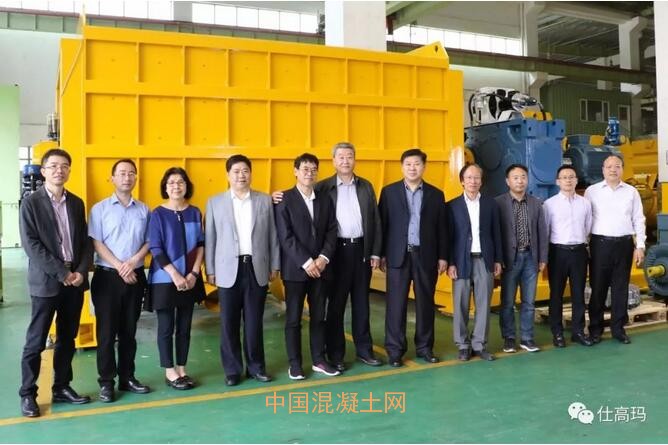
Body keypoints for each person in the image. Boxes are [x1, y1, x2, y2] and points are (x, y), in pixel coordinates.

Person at [18, 148, 93, 418]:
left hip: (74, 281)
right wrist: (62, 273)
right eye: (53, 166)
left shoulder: (76, 203)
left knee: (67, 337)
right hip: (46, 281)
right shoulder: (31, 203)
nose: (59, 170)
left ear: (69, 170)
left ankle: (61, 386)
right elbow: (31, 245)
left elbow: (85, 241)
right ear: (43, 171)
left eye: (64, 166)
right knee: (36, 340)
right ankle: (28, 393)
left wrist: (81, 271)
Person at [205, 155, 280, 387]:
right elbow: (210, 238)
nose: (241, 175)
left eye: (245, 171)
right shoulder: (215, 202)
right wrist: (210, 269)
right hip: (227, 269)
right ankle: (233, 370)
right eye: (236, 171)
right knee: (228, 322)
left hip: (256, 267)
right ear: (228, 175)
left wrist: (274, 265)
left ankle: (257, 367)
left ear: (251, 174)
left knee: (254, 322)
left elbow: (273, 235)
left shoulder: (264, 200)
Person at [88, 159, 151, 403]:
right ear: (112, 178)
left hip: (135, 276)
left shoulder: (144, 210)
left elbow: (149, 241)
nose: (127, 177)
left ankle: (127, 377)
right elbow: (97, 242)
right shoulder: (100, 209)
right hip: (107, 277)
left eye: (131, 173)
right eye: (122, 173)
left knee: (129, 331)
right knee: (106, 333)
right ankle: (106, 382)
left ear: (136, 178)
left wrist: (132, 262)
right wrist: (119, 266)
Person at [378, 148, 448, 367]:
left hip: (425, 256)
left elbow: (442, 228)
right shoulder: (389, 192)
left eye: (417, 164)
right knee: (395, 305)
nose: (412, 168)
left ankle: (425, 348)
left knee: (425, 304)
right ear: (402, 167)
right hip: (397, 256)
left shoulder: (436, 195)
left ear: (424, 167)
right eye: (408, 164)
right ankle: (394, 350)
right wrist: (381, 254)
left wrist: (443, 256)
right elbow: (382, 225)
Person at [317, 142, 383, 370]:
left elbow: (375, 220)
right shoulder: (322, 187)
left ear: (355, 159)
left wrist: (375, 251)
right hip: (335, 253)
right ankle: (336, 355)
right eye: (341, 157)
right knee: (336, 305)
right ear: (333, 161)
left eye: (349, 157)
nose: (345, 161)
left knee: (362, 303)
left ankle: (365, 351)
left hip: (361, 250)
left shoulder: (366, 186)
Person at [274, 153, 340, 380]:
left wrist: (323, 258)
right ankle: (295, 364)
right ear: (295, 171)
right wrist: (307, 262)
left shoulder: (325, 199)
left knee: (319, 316)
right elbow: (285, 237)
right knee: (293, 319)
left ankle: (319, 360)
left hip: (321, 269)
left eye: (313, 169)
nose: (309, 173)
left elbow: (332, 230)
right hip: (295, 270)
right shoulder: (284, 199)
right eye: (305, 169)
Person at [148, 167, 205, 390]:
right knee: (166, 327)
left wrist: (194, 273)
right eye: (171, 182)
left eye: (180, 182)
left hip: (190, 278)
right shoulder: (158, 214)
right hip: (164, 279)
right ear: (165, 187)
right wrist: (174, 274)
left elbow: (200, 244)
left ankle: (182, 368)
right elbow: (155, 247)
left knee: (185, 326)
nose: (176, 186)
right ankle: (169, 371)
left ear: (186, 186)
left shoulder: (195, 213)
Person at [585, 154, 645, 344]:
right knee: (598, 287)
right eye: (609, 166)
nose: (613, 170)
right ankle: (595, 329)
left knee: (620, 288)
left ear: (622, 169)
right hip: (599, 245)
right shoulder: (592, 191)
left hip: (624, 245)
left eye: (617, 166)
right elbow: (586, 219)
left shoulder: (631, 192)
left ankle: (618, 329)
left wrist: (640, 246)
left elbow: (639, 219)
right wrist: (584, 244)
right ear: (603, 170)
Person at [447, 164, 502, 362]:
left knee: (484, 304)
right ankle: (462, 345)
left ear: (481, 181)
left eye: (476, 177)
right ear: (462, 181)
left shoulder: (490, 204)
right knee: (460, 304)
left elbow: (497, 233)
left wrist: (498, 259)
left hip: (484, 260)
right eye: (469, 178)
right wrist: (451, 263)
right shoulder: (452, 206)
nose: (473, 181)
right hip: (461, 261)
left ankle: (479, 344)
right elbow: (449, 237)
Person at [495, 164, 548, 353]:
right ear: (508, 181)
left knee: (529, 302)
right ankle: (509, 338)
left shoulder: (536, 203)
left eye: (523, 177)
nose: (520, 181)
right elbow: (495, 234)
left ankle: (527, 338)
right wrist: (498, 259)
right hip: (510, 259)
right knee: (508, 302)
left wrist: (542, 258)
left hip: (530, 259)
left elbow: (542, 231)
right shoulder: (498, 203)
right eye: (515, 177)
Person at [543, 165, 593, 348]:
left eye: (571, 177)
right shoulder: (549, 205)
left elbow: (588, 227)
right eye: (564, 177)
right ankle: (557, 333)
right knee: (556, 294)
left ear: (576, 180)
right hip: (558, 252)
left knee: (578, 293)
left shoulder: (585, 203)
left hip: (579, 252)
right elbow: (546, 230)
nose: (568, 180)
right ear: (558, 182)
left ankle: (578, 331)